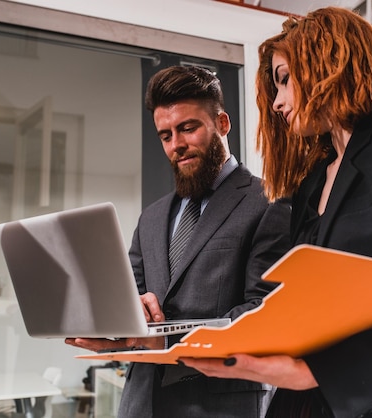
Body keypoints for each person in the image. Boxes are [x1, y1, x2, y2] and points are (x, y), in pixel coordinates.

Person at [180, 7, 372, 418]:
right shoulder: (310, 184)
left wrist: (318, 372)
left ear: (328, 63)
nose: (276, 102)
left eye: (285, 79)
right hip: (312, 403)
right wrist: (171, 337)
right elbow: (301, 308)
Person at [65, 65, 291, 417]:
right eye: (166, 135)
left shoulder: (269, 202)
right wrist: (121, 318)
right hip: (142, 402)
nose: (177, 145)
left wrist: (169, 340)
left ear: (222, 124)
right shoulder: (151, 218)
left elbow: (263, 313)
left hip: (221, 405)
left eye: (188, 128)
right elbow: (132, 293)